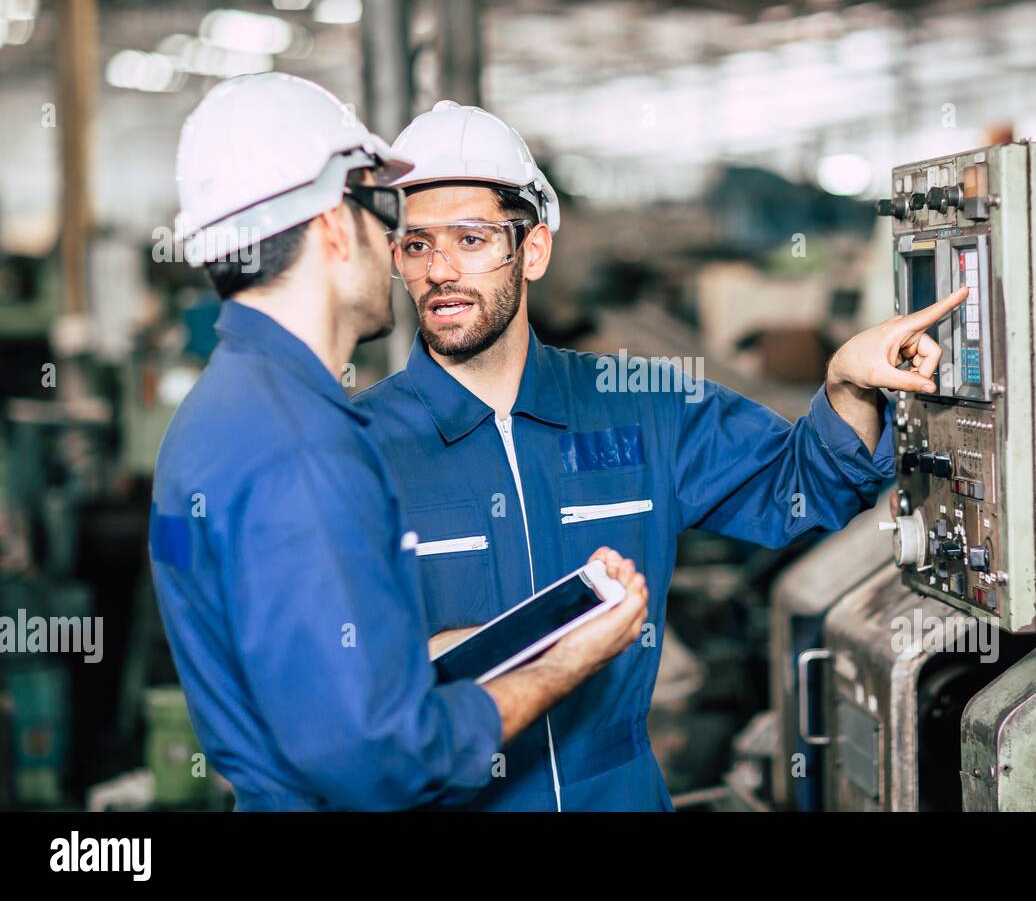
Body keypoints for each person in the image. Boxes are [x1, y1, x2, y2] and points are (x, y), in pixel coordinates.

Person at [353, 100, 968, 810]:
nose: (441, 270)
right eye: (418, 245)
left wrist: (846, 386)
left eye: (473, 238)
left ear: (535, 249)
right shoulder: (357, 447)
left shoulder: (639, 404)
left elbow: (808, 485)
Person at [148, 75, 647, 811]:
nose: (400, 248)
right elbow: (379, 759)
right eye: (381, 212)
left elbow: (305, 672)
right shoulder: (304, 450)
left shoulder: (217, 418)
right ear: (329, 226)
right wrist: (566, 662)